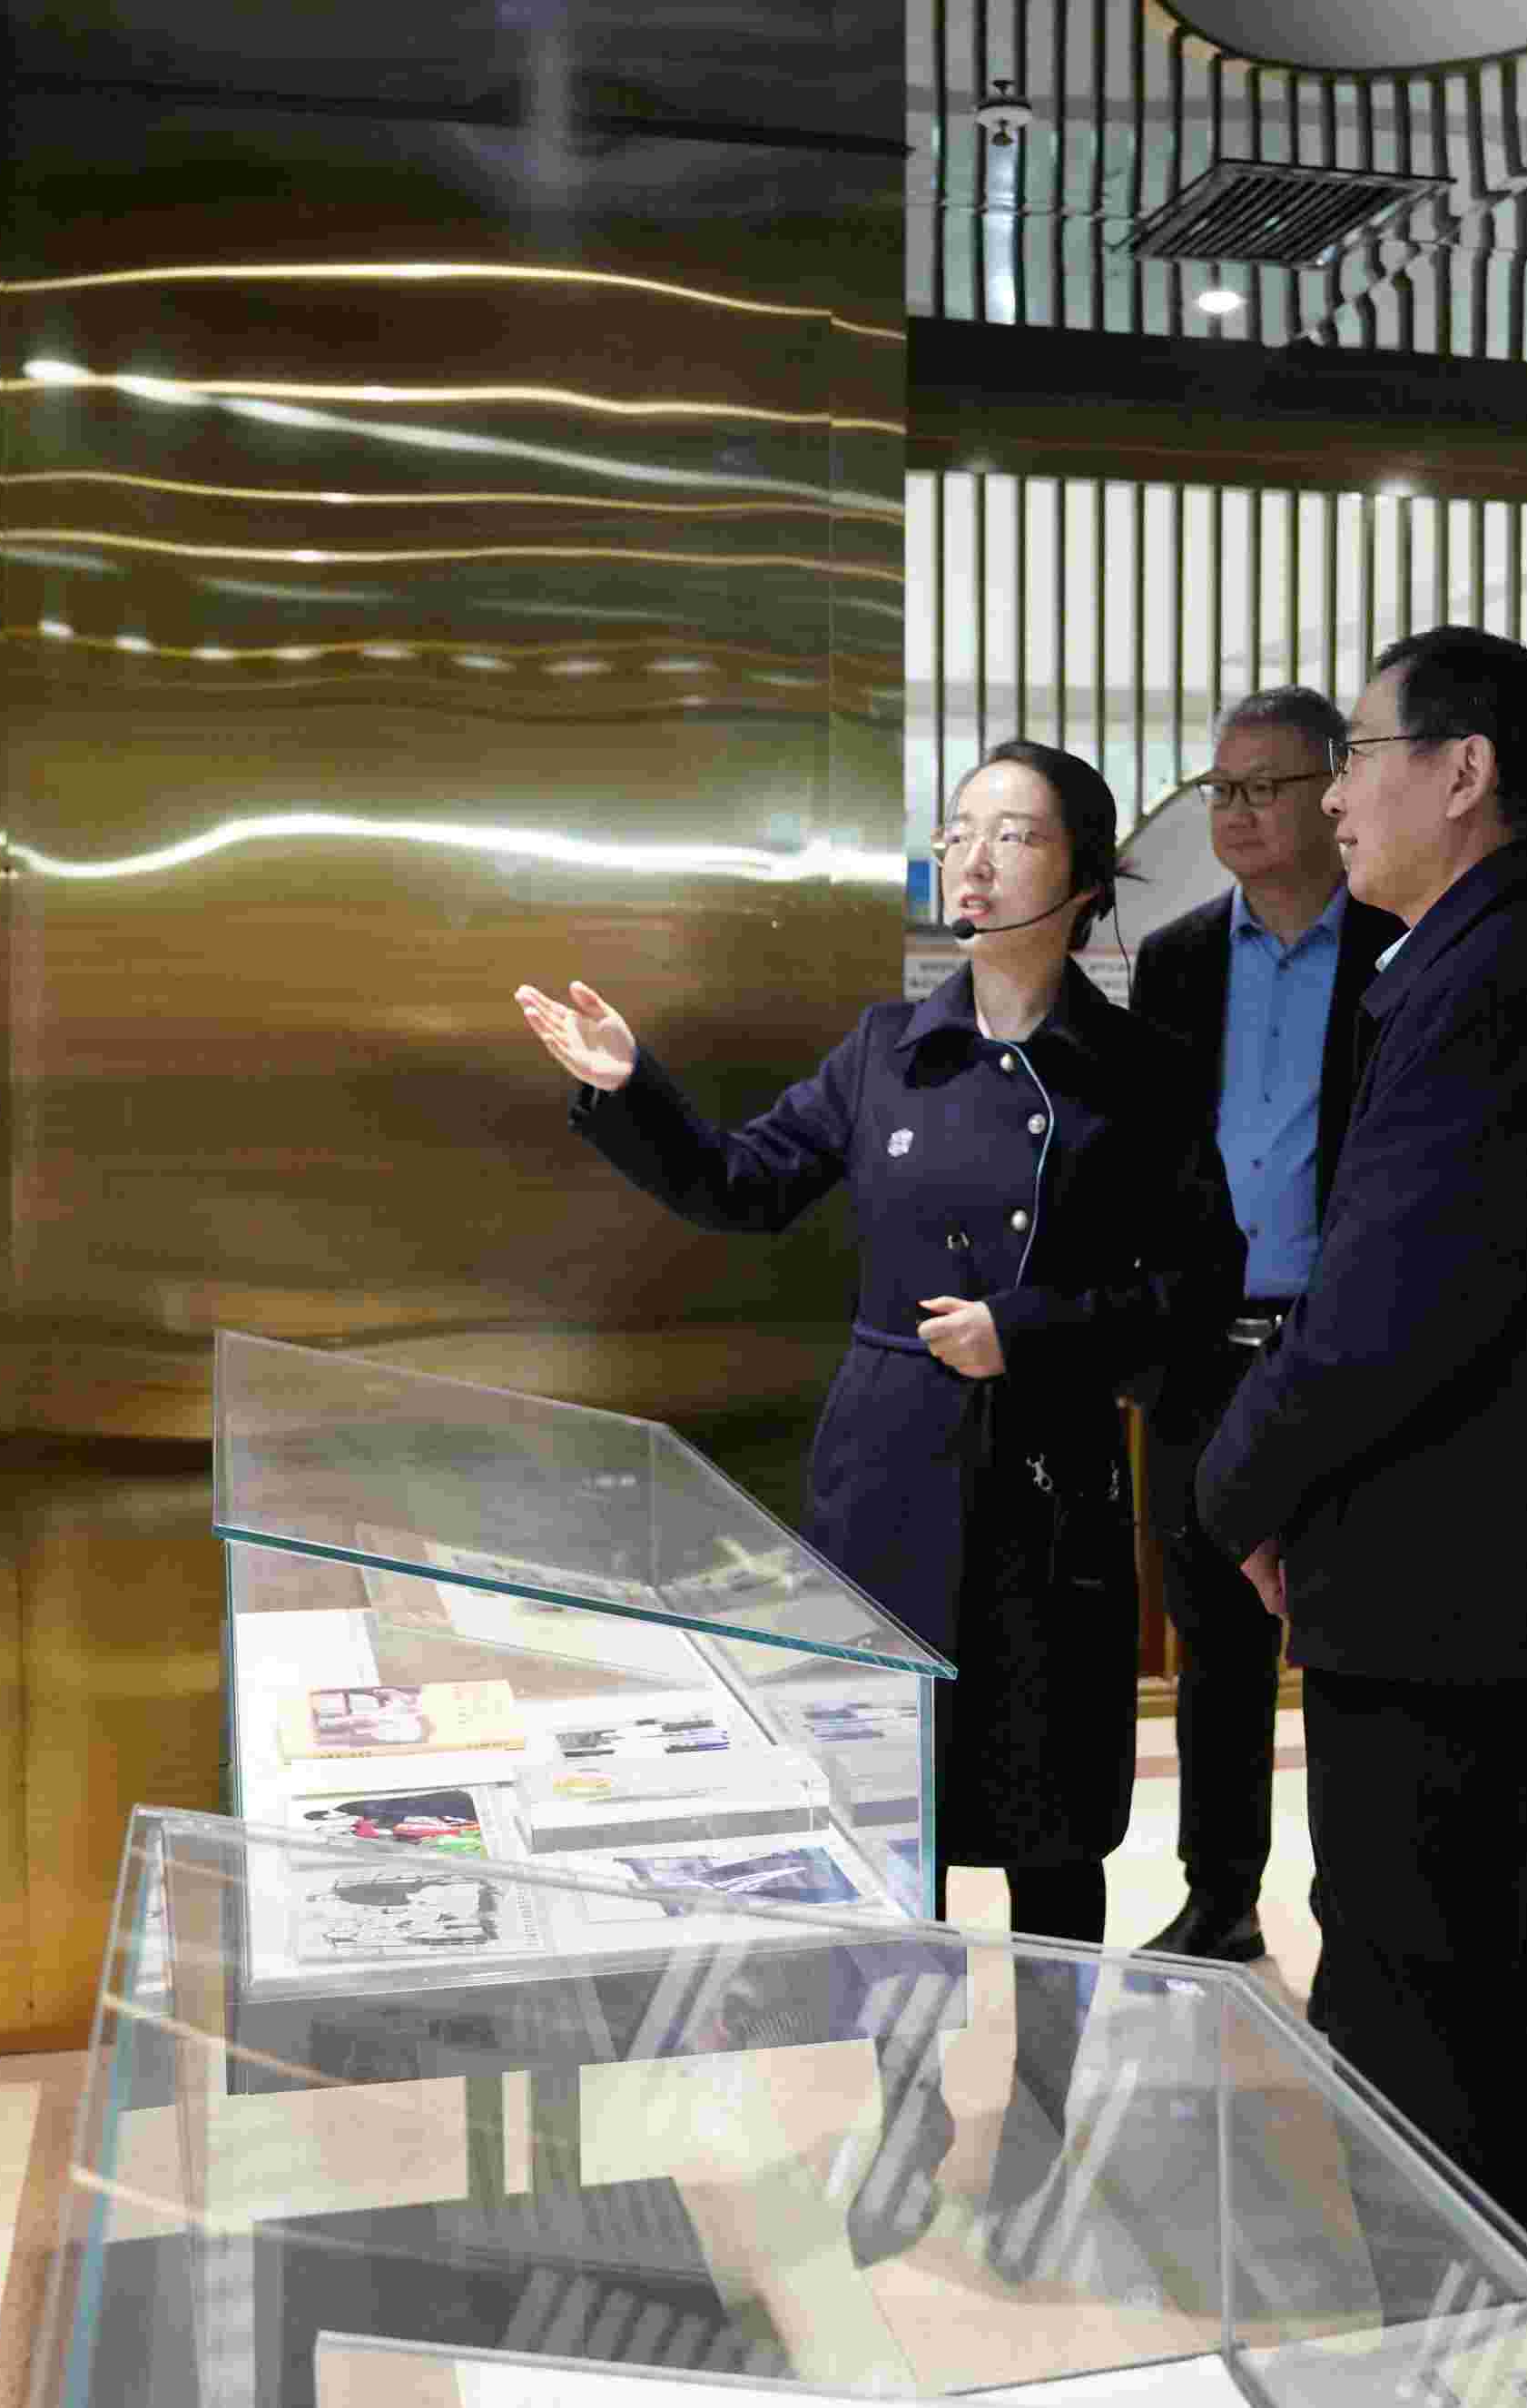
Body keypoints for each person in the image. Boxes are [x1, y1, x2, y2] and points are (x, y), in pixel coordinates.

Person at [517, 739, 1241, 2277]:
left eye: (1014, 834)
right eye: (959, 830)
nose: (973, 860)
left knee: (1051, 1838)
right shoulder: (883, 1049)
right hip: (886, 1485)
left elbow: (1198, 1285)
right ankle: (904, 2113)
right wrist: (630, 1090)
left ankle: (1038, 2128)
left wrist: (1029, 1329)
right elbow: (740, 1183)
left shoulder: (1143, 1069)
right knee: (889, 1831)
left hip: (1047, 1484)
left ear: (1085, 876)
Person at [1191, 627, 1527, 2255]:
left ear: (1463, 772)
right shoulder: (1490, 956)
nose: (1336, 799)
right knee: (1439, 1966)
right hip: (1456, 1571)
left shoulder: (1502, 978)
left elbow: (1384, 1310)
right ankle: (1459, 2294)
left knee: (1420, 1987)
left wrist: (1233, 1487)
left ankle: (1445, 2319)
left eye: (1359, 756)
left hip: (1455, 1584)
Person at [1125, 686, 1401, 1967]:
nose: (1232, 813)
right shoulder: (1175, 958)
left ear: (1333, 791)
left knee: (1355, 1646)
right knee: (1214, 1651)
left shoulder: (1398, 947)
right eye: (1220, 789)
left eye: (1262, 788)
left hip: (1344, 1353)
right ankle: (1219, 1895)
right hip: (1202, 1356)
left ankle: (1362, 1910)